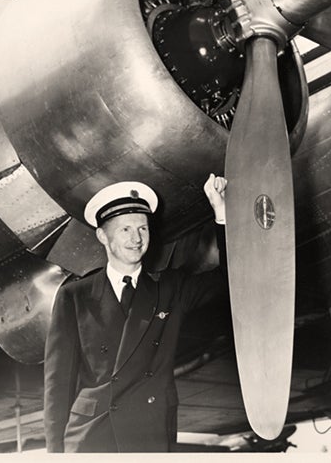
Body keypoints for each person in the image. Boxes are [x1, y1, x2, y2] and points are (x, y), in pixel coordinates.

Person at [44, 173, 228, 453]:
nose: (137, 238)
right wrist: (54, 455)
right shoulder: (74, 296)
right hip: (90, 436)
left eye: (143, 229)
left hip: (148, 431)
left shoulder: (170, 288)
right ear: (102, 235)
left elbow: (230, 277)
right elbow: (58, 385)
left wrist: (221, 214)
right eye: (126, 229)